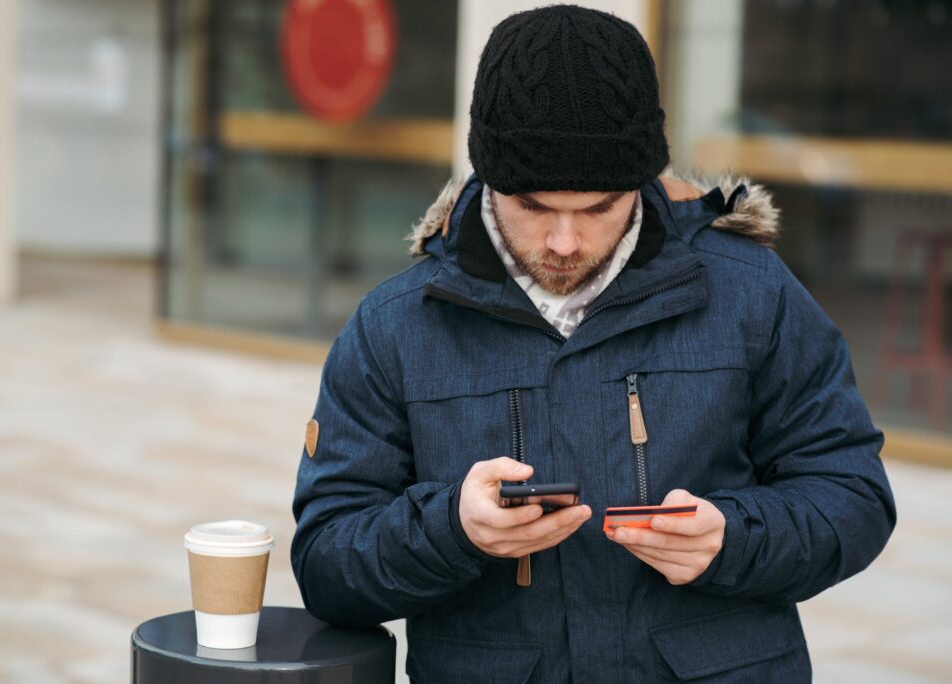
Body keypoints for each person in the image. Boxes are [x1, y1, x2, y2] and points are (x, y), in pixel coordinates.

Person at [291, 5, 895, 682]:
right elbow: (326, 563)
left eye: (599, 209)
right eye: (535, 208)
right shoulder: (395, 324)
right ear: (487, 177)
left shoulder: (752, 292)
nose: (565, 242)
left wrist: (736, 539)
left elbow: (853, 495)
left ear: (641, 181)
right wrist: (449, 530)